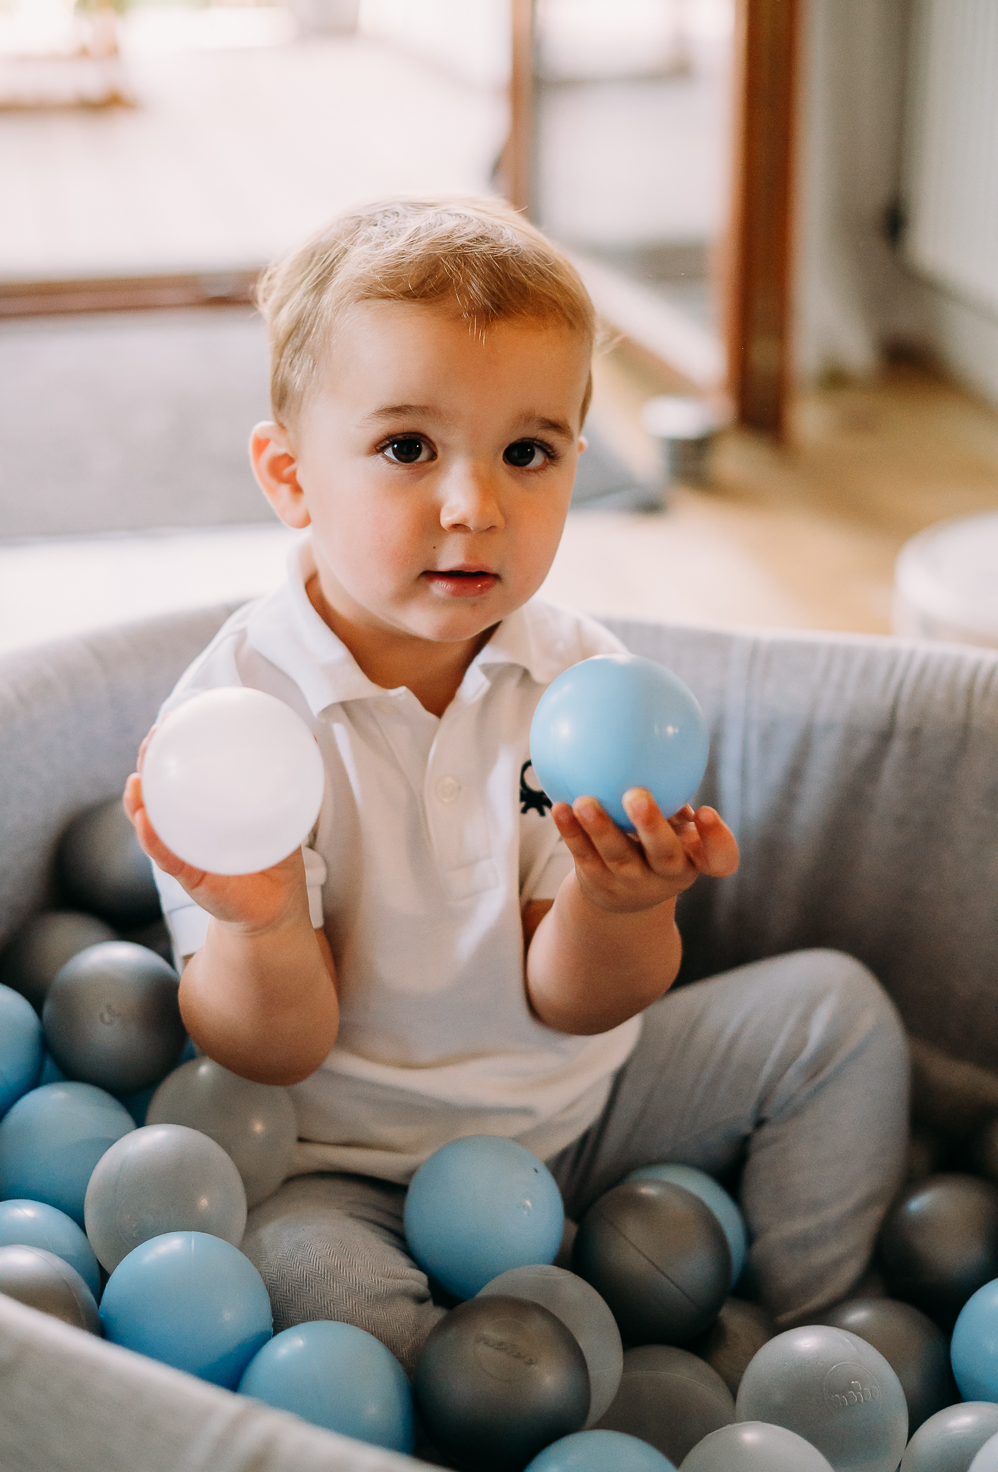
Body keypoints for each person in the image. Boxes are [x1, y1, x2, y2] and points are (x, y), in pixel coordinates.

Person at [124, 195, 908, 1374]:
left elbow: (576, 1003)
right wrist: (264, 918)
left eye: (526, 452)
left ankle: (798, 1344)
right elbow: (272, 1050)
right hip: (345, 1168)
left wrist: (622, 904)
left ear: (578, 466)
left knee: (836, 1014)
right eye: (406, 449)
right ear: (289, 475)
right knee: (318, 1307)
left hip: (581, 1117)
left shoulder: (581, 687)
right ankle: (506, 1385)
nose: (472, 505)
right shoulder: (235, 720)